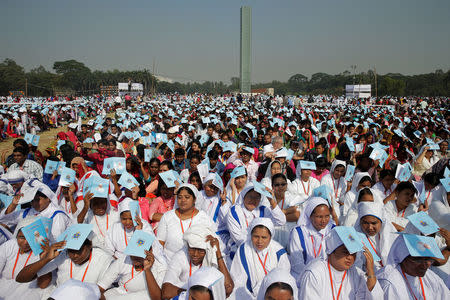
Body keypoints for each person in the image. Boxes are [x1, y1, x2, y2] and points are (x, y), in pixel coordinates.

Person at [16, 226, 113, 295]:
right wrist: (47, 259)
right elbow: (21, 278)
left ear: (89, 246)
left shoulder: (104, 259)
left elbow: (103, 292)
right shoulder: (63, 255)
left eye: (79, 251)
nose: (74, 256)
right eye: (71, 251)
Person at [298, 226, 383, 299]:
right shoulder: (315, 273)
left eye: (354, 253)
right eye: (345, 252)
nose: (350, 257)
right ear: (331, 251)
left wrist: (370, 271)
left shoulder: (355, 272)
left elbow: (375, 297)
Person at [161, 224, 233, 299]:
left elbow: (228, 289)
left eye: (200, 250)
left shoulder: (211, 256)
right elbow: (166, 292)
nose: (195, 254)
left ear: (207, 250)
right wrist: (197, 295)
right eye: (192, 249)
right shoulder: (180, 256)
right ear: (187, 246)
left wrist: (217, 252)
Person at [230, 218, 290, 299]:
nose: (259, 241)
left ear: (270, 237)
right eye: (256, 236)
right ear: (251, 235)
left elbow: (283, 280)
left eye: (264, 237)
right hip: (249, 295)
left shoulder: (279, 252)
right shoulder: (244, 249)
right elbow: (238, 281)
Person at [377, 233, 450, 299]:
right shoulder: (388, 282)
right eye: (418, 259)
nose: (426, 264)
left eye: (429, 259)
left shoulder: (432, 278)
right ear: (402, 257)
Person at [157, 184, 215, 259]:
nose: (183, 200)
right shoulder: (167, 216)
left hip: (195, 264)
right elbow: (160, 243)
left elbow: (212, 240)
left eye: (187, 197)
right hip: (169, 262)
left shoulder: (203, 217)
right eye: (180, 197)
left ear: (194, 199)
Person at [226, 185, 286, 256]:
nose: (253, 200)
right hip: (240, 248)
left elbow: (281, 221)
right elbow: (238, 238)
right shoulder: (234, 211)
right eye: (250, 197)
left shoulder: (262, 209)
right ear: (244, 196)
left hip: (262, 247)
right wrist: (256, 248)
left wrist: (272, 201)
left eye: (257, 197)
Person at [98, 237, 167, 300]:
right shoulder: (123, 260)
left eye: (139, 254)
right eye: (133, 253)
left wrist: (147, 270)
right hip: (118, 295)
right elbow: (102, 285)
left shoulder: (160, 268)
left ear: (150, 251)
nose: (134, 257)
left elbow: (157, 298)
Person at [289, 197, 337, 283]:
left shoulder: (332, 230)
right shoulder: (298, 232)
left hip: (327, 276)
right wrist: (312, 276)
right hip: (303, 275)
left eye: (327, 216)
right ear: (310, 216)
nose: (324, 221)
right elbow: (297, 263)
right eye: (319, 217)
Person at [0, 217, 45, 300]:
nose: (26, 243)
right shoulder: (9, 245)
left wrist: (44, 259)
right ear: (16, 236)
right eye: (22, 237)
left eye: (30, 238)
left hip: (26, 294)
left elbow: (43, 285)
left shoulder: (41, 251)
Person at [353, 201, 397, 270]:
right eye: (365, 223)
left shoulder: (391, 236)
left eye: (374, 223)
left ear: (381, 222)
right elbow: (356, 266)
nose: (370, 227)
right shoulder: (355, 238)